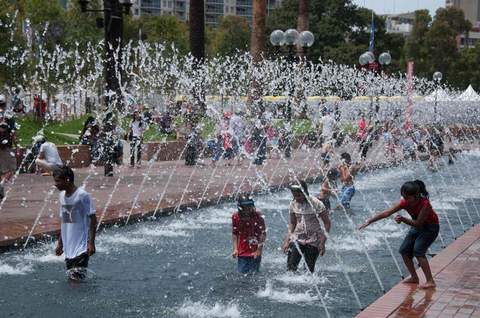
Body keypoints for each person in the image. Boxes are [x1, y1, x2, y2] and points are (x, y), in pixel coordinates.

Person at [358, 180, 439, 289]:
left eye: (407, 197)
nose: (404, 200)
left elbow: (419, 223)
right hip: (416, 226)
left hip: (430, 228)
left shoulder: (425, 204)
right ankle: (414, 277)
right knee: (404, 251)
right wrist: (369, 221)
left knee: (418, 251)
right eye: (403, 197)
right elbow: (387, 212)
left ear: (415, 196)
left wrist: (403, 219)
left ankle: (430, 281)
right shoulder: (405, 202)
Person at [53, 166, 97, 281]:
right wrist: (60, 243)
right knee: (73, 282)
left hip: (81, 248)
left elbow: (93, 219)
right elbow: (65, 220)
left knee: (75, 283)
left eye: (58, 181)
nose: (55, 184)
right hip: (69, 249)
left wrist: (91, 243)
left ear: (67, 179)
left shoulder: (82, 195)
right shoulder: (62, 196)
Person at [283, 180, 331, 273]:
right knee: (291, 267)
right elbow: (293, 223)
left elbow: (327, 223)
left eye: (299, 195)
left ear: (305, 192)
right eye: (294, 195)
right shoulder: (293, 204)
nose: (297, 198)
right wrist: (287, 240)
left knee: (309, 270)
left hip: (314, 239)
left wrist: (322, 242)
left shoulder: (316, 203)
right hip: (297, 238)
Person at [231, 195, 266, 274]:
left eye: (249, 207)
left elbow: (263, 234)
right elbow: (235, 234)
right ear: (240, 207)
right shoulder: (236, 217)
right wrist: (235, 249)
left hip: (255, 251)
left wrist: (259, 250)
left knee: (254, 274)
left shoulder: (258, 216)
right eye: (245, 207)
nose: (247, 210)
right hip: (242, 252)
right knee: (242, 273)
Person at [0, 123, 16, 200]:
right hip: (7, 150)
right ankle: (2, 184)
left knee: (3, 171)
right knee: (11, 169)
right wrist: (17, 146)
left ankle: (1, 192)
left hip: (1, 150)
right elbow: (14, 137)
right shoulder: (8, 130)